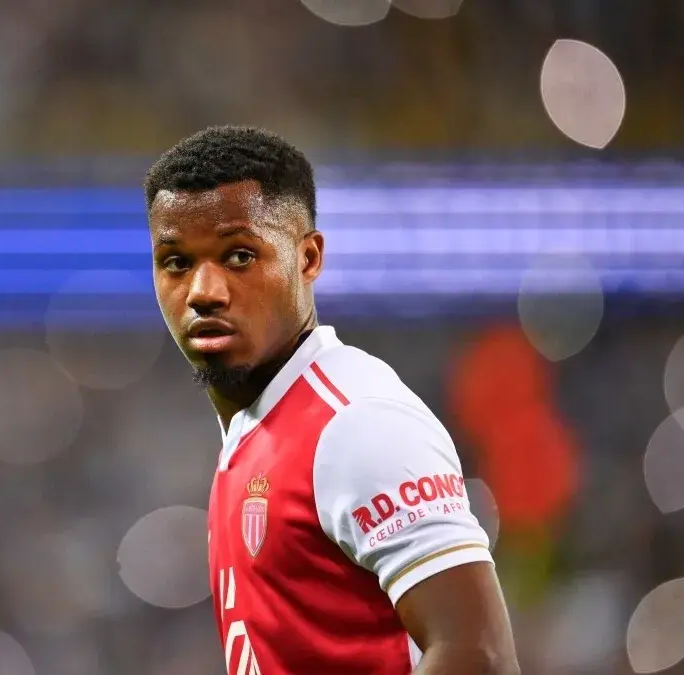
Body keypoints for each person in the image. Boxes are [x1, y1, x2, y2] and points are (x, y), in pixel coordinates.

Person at [144, 126, 519, 675]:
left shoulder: (355, 422)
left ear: (308, 257)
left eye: (240, 256)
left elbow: (479, 656)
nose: (204, 291)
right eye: (176, 262)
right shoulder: (256, 430)